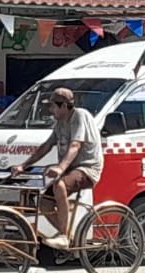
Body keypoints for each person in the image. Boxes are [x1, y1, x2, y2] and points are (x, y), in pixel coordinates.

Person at [9, 86, 104, 250]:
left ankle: (64, 237)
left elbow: (75, 146)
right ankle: (67, 235)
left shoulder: (80, 116)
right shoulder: (60, 123)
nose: (51, 110)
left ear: (64, 106)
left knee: (58, 183)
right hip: (71, 170)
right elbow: (46, 147)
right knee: (44, 203)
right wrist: (23, 166)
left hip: (87, 169)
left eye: (53, 106)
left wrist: (60, 168)